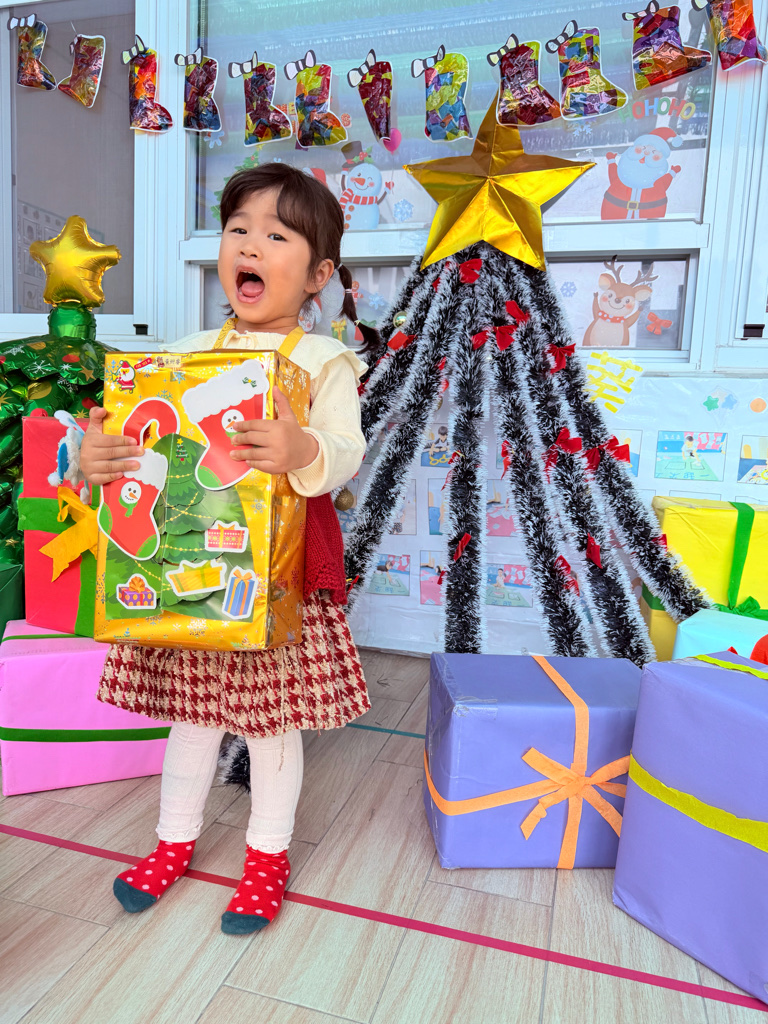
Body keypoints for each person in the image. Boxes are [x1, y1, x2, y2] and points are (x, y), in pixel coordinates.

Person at [79, 163, 374, 936]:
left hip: (278, 579)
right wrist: (98, 458)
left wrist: (304, 446)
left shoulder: (324, 362)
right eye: (238, 229)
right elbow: (134, 447)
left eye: (275, 235)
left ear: (318, 275)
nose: (249, 245)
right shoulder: (182, 356)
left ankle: (266, 857)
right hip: (193, 571)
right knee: (193, 718)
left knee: (271, 726)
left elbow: (345, 452)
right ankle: (172, 842)